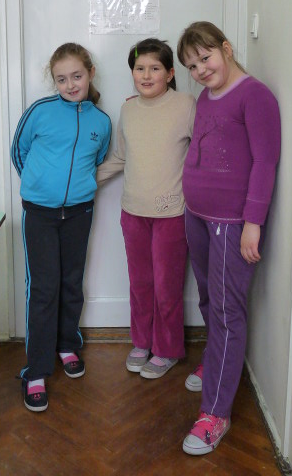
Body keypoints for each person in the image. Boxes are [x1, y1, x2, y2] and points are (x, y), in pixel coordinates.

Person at [176, 21, 281, 455]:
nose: (201, 70)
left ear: (226, 47)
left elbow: (265, 162)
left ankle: (215, 413)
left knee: (226, 311)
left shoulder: (255, 96)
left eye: (206, 58)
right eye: (192, 66)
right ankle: (215, 363)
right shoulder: (206, 96)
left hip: (230, 223)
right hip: (197, 216)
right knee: (208, 299)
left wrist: (253, 222)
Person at [11, 42, 111, 412]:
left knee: (71, 282)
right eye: (62, 79)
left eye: (77, 76)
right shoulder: (40, 111)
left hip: (80, 212)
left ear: (90, 73)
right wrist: (39, 186)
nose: (70, 84)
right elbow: (19, 152)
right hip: (39, 213)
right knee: (43, 288)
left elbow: (97, 160)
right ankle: (36, 370)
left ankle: (67, 344)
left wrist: (75, 191)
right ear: (54, 81)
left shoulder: (102, 122)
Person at [97, 38, 195, 379]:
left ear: (170, 73)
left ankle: (167, 349)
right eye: (140, 68)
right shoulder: (128, 110)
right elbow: (121, 157)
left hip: (172, 215)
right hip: (133, 213)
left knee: (167, 287)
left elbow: (201, 154)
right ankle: (141, 342)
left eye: (155, 68)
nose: (146, 75)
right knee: (140, 283)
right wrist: (83, 182)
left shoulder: (186, 105)